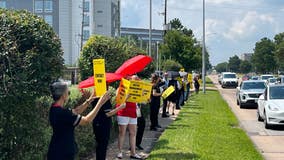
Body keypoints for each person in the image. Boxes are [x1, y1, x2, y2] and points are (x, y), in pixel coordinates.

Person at [47, 81, 110, 160]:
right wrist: (100, 103)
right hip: (63, 152)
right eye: (68, 92)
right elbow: (86, 120)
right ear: (63, 95)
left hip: (56, 149)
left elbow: (75, 111)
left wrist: (89, 100)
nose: (68, 94)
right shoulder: (63, 113)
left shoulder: (54, 108)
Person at [91, 86, 128, 160]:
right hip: (103, 124)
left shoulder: (95, 97)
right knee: (103, 145)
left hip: (96, 122)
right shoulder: (104, 99)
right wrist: (120, 108)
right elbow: (108, 113)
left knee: (99, 145)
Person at [116, 75, 142, 159]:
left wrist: (145, 99)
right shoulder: (123, 86)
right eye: (135, 79)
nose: (137, 80)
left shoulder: (136, 87)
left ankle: (133, 153)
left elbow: (140, 98)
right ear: (129, 79)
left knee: (133, 132)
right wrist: (125, 97)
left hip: (133, 111)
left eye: (137, 79)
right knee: (122, 132)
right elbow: (117, 97)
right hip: (123, 111)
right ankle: (120, 152)